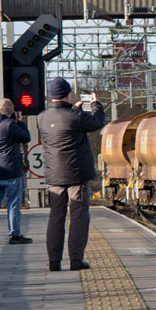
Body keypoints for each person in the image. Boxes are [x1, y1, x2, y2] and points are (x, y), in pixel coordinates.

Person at [37, 77, 106, 272]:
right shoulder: (76, 116)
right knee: (78, 215)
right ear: (67, 94)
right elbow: (97, 122)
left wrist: (73, 109)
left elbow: (62, 122)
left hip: (54, 176)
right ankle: (76, 260)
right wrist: (96, 105)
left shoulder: (42, 117)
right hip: (77, 175)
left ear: (51, 95)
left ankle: (54, 262)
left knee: (56, 216)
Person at [0, 98, 32, 245]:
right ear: (10, 112)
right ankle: (14, 234)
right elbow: (26, 137)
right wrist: (20, 122)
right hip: (11, 170)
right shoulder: (9, 124)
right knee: (13, 204)